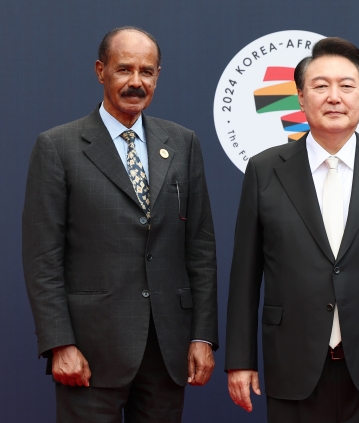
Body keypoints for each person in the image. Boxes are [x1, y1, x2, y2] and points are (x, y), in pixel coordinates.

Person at [225, 37, 359, 423]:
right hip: (293, 363)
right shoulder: (264, 170)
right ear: (301, 98)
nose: (334, 97)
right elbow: (245, 274)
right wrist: (240, 360)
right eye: (321, 86)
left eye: (346, 86)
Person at [22, 26, 218, 422]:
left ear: (158, 75)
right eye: (124, 69)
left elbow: (200, 247)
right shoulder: (58, 146)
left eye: (146, 71)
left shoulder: (183, 143)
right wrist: (60, 344)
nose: (136, 82)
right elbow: (43, 257)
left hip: (167, 352)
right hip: (90, 354)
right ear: (100, 71)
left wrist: (202, 336)